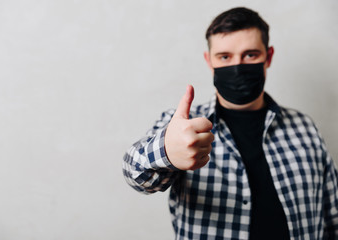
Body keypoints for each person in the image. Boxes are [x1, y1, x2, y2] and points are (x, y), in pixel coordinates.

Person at [122, 7, 338, 240]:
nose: (237, 66)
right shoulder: (184, 128)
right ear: (209, 61)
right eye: (224, 57)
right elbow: (136, 175)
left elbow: (333, 216)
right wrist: (166, 151)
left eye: (250, 55)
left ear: (269, 56)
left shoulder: (304, 128)